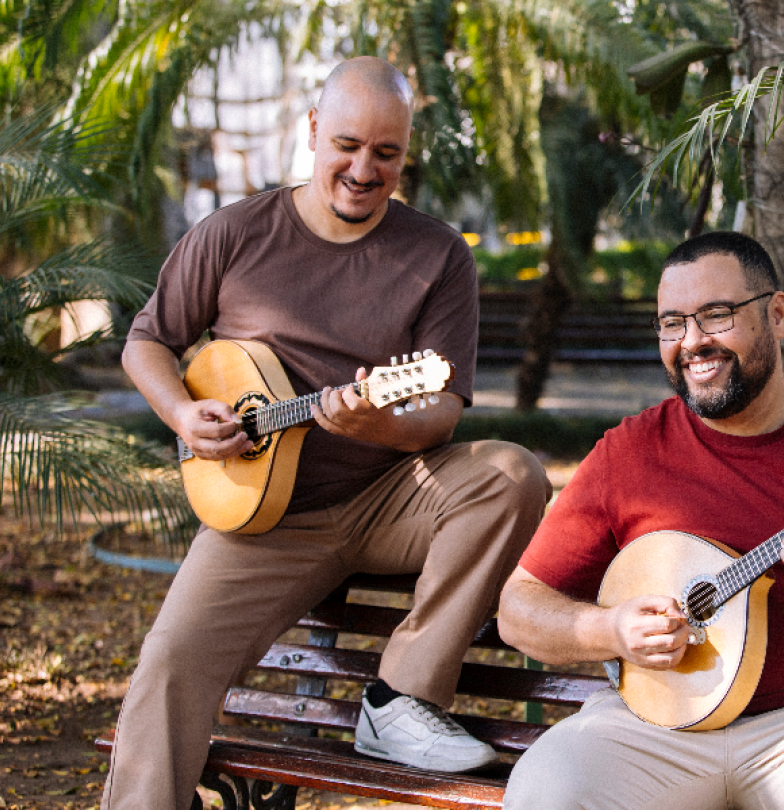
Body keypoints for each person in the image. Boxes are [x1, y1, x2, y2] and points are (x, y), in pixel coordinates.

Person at [103, 57, 550, 810]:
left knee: (512, 473)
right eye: (347, 144)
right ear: (312, 130)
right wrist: (183, 413)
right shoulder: (235, 234)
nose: (362, 169)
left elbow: (442, 411)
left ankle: (399, 702)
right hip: (261, 518)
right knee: (169, 664)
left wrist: (380, 420)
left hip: (389, 496)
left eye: (387, 154)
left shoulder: (439, 255)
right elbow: (145, 342)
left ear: (407, 153)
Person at [496, 231, 784, 810]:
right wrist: (611, 630)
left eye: (716, 316)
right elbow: (519, 609)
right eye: (672, 323)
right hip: (655, 729)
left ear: (778, 314)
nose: (692, 342)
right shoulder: (629, 451)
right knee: (548, 784)